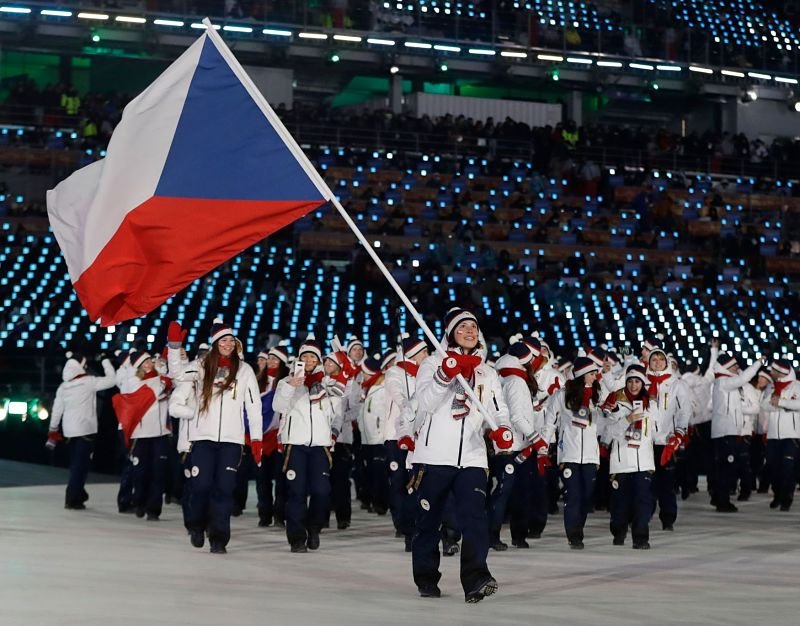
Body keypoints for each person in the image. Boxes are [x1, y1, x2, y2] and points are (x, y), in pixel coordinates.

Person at [410, 307, 512, 603]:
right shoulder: (432, 363)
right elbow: (423, 404)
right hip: (433, 456)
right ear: (450, 333)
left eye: (473, 326)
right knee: (428, 521)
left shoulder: (486, 371)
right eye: (462, 327)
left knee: (475, 518)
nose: (469, 331)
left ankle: (476, 579)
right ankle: (426, 577)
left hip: (472, 456)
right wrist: (444, 375)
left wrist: (501, 430)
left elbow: (498, 408)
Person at [167, 319, 263, 554]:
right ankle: (197, 525)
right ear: (215, 343)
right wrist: (173, 347)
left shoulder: (244, 370)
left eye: (231, 340)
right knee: (200, 486)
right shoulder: (201, 366)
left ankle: (219, 538)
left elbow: (254, 406)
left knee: (224, 489)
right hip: (203, 439)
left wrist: (257, 439)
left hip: (232, 441)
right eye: (224, 340)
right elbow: (178, 375)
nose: (228, 344)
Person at [274, 335, 337, 552]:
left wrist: (333, 434)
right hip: (296, 446)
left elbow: (337, 409)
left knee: (321, 492)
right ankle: (297, 538)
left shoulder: (328, 383)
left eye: (313, 357)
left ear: (318, 360)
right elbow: (278, 406)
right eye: (305, 356)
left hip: (320, 445)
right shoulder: (287, 382)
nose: (309, 361)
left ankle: (314, 528)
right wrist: (292, 385)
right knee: (296, 493)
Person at [542, 356, 602, 549]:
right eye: (592, 374)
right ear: (582, 375)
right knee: (573, 495)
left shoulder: (597, 396)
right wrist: (543, 446)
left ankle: (579, 526)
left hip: (591, 456)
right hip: (569, 454)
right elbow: (549, 422)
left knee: (586, 496)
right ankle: (574, 535)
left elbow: (606, 422)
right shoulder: (561, 395)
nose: (595, 377)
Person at [47, 352, 116, 509]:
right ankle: (73, 497)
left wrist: (52, 429)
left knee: (76, 464)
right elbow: (113, 380)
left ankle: (78, 493)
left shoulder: (63, 387)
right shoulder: (89, 381)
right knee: (81, 465)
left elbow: (57, 411)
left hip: (69, 431)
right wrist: (105, 361)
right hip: (85, 430)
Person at [602, 364, 655, 549]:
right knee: (620, 502)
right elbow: (610, 432)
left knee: (643, 503)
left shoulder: (651, 404)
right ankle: (619, 531)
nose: (634, 385)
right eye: (630, 381)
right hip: (621, 462)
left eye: (637, 381)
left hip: (643, 462)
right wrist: (628, 420)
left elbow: (656, 430)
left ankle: (641, 539)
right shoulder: (615, 401)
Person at [384, 335, 428, 549]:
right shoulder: (395, 371)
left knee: (415, 483)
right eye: (423, 352)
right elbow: (398, 394)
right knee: (399, 482)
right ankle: (402, 524)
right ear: (413, 354)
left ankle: (413, 526)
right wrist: (410, 409)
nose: (427, 356)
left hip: (416, 434)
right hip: (395, 435)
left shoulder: (425, 374)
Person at [646, 343, 691, 529]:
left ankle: (668, 518)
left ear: (666, 362)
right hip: (645, 443)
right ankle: (643, 516)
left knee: (666, 484)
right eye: (654, 359)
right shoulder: (642, 381)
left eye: (660, 359)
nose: (657, 362)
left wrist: (679, 433)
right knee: (646, 483)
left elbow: (685, 410)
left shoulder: (677, 384)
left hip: (666, 441)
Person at [710, 352, 762, 512]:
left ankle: (719, 498)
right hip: (727, 432)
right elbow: (743, 378)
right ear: (726, 367)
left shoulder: (723, 382)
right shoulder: (724, 381)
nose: (737, 368)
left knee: (723, 468)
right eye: (734, 366)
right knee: (727, 468)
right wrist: (758, 363)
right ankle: (723, 502)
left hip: (725, 431)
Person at [122, 350, 170, 521]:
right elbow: (154, 392)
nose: (149, 363)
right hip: (141, 434)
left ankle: (153, 509)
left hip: (160, 433)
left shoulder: (161, 378)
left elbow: (169, 386)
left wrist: (162, 371)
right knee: (140, 472)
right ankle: (139, 502)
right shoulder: (133, 381)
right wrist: (162, 376)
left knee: (158, 473)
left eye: (150, 360)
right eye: (145, 362)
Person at [763, 359, 800, 511]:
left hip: (791, 434)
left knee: (787, 467)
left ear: (781, 371)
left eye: (773, 370)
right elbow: (764, 405)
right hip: (772, 434)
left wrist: (781, 403)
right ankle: (778, 494)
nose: (770, 372)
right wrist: (775, 404)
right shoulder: (771, 387)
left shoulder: (797, 386)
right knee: (772, 467)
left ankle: (787, 497)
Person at [357, 355, 389, 515]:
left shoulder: (382, 387)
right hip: (367, 439)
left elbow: (384, 414)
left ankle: (381, 503)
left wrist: (381, 433)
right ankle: (373, 500)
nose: (362, 375)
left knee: (380, 474)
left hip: (379, 438)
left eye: (364, 372)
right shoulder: (367, 387)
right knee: (370, 472)